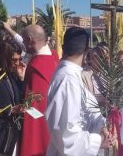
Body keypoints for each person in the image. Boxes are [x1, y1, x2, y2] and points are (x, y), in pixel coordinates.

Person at [46, 27, 111, 155]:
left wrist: (101, 125)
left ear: (63, 47)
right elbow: (66, 135)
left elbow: (88, 107)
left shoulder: (73, 74)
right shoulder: (67, 79)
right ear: (87, 51)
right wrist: (98, 140)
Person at [20, 25, 59, 156]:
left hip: (40, 130)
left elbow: (35, 107)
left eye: (24, 41)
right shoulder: (54, 57)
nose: (24, 45)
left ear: (30, 39)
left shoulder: (37, 66)